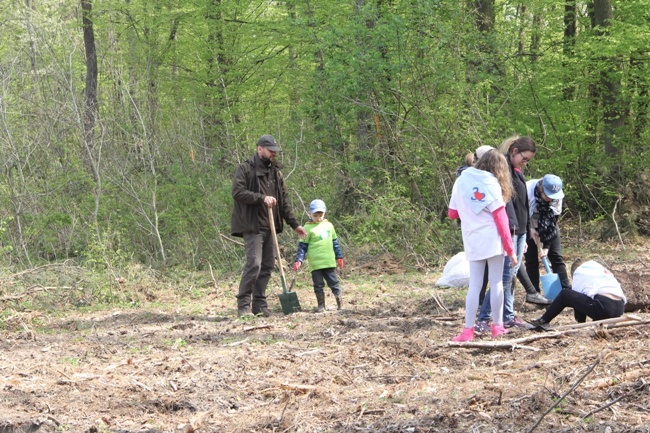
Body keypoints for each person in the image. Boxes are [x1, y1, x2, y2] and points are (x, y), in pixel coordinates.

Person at [475, 136, 550, 332]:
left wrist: (526, 231)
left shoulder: (517, 172)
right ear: (514, 151)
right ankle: (484, 318)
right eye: (524, 158)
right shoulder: (503, 169)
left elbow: (523, 203)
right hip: (511, 229)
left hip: (521, 230)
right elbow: (505, 204)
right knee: (505, 277)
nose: (525, 163)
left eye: (528, 160)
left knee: (510, 277)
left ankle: (507, 316)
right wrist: (512, 231)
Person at [231, 134, 307, 318]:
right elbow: (238, 192)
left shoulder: (276, 173)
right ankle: (243, 305)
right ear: (259, 149)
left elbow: (284, 203)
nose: (274, 154)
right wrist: (261, 198)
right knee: (254, 264)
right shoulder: (245, 169)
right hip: (252, 225)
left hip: (271, 227)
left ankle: (259, 304)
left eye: (275, 151)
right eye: (270, 150)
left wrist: (294, 225)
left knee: (267, 266)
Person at [448, 149, 517, 342]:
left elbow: (452, 213)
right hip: (493, 238)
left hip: (472, 238)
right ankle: (497, 327)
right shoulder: (491, 183)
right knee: (496, 283)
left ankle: (468, 330)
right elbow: (500, 217)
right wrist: (510, 249)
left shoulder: (461, 180)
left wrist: (471, 213)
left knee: (475, 285)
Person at [527, 259, 626, 331]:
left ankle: (543, 321)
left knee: (565, 294)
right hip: (620, 308)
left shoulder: (580, 272)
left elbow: (576, 299)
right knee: (593, 299)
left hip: (604, 307)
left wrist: (580, 323)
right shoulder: (598, 270)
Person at [292, 199, 345, 312]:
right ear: (310, 214)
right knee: (318, 285)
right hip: (315, 264)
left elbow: (335, 243)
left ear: (324, 213)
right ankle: (321, 305)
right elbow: (303, 246)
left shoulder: (329, 226)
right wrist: (299, 260)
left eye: (320, 215)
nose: (318, 217)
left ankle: (340, 304)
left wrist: (339, 257)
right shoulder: (307, 228)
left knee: (334, 283)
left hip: (328, 262)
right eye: (315, 215)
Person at [524, 175, 571, 295]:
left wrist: (546, 247)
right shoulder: (526, 190)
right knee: (531, 260)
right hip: (527, 224)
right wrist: (530, 228)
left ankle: (566, 292)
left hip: (548, 224)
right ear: (541, 189)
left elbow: (554, 220)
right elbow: (519, 213)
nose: (551, 200)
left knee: (556, 256)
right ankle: (534, 294)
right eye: (548, 196)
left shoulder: (558, 196)